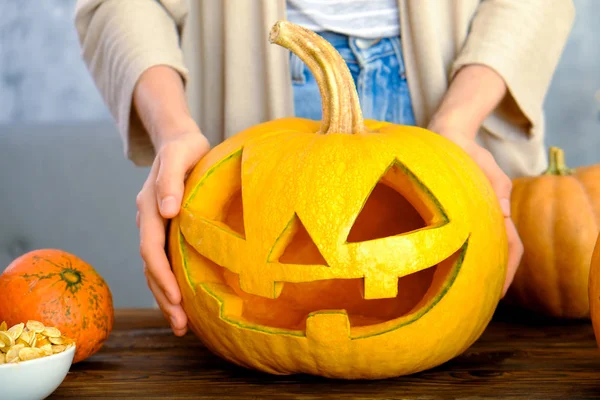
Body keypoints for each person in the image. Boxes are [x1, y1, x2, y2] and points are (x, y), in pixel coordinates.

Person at [74, 0, 575, 337]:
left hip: (456, 88)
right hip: (254, 97)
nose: (328, 251)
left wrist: (460, 121)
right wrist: (173, 130)